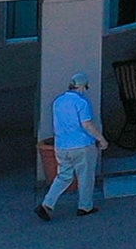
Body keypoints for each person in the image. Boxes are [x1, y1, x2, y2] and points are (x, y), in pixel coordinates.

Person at [38, 73, 106, 220]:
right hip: (82, 146)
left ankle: (47, 204)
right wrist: (101, 139)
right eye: (85, 87)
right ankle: (85, 207)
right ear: (81, 86)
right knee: (86, 177)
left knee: (63, 176)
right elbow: (87, 124)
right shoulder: (82, 102)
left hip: (62, 146)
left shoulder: (58, 101)